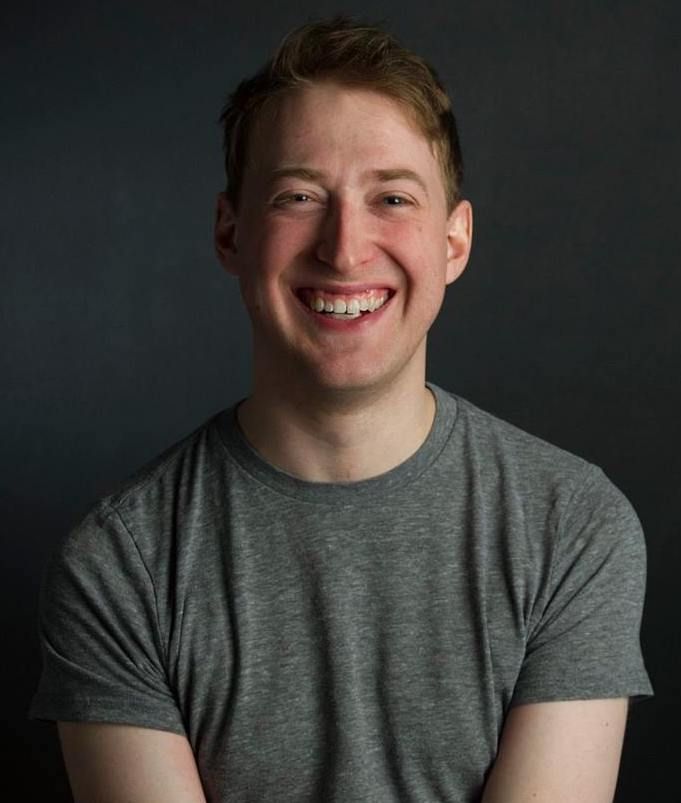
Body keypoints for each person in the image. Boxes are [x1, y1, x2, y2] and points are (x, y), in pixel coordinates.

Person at [30, 15, 653, 803]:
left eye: (391, 197)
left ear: (454, 242)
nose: (345, 247)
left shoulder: (572, 526)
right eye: (298, 196)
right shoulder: (121, 562)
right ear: (229, 233)